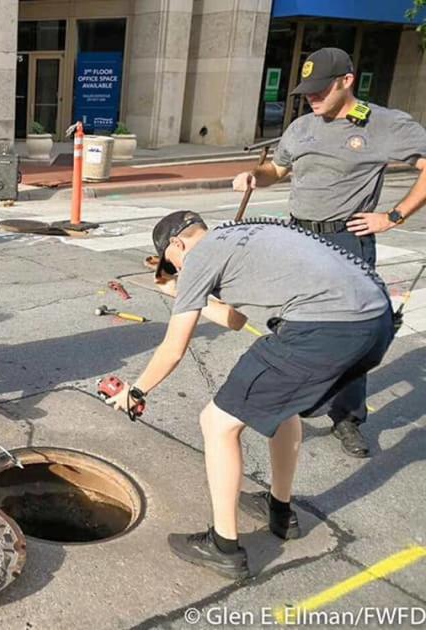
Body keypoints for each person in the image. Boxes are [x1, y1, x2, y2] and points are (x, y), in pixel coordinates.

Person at [107, 211, 394, 579]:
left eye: (170, 262)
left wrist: (135, 390)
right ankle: (279, 509)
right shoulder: (238, 234)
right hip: (375, 322)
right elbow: (236, 320)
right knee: (284, 405)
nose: (174, 268)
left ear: (177, 245)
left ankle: (223, 547)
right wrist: (183, 290)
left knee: (217, 422)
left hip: (323, 329)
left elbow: (173, 349)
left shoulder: (198, 258)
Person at [232, 47, 426, 457]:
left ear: (347, 81)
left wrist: (393, 215)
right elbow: (278, 170)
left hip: (345, 242)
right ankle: (299, 397)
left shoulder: (382, 124)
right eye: (307, 92)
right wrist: (255, 176)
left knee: (351, 335)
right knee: (297, 325)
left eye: (321, 90)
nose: (313, 98)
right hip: (299, 238)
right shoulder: (302, 127)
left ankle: (347, 417)